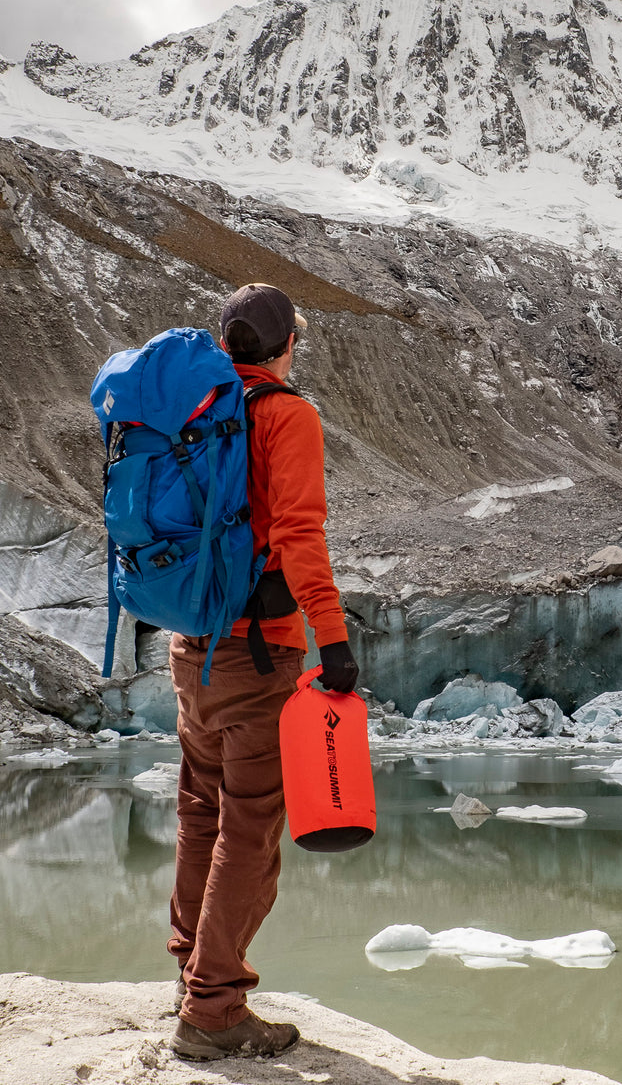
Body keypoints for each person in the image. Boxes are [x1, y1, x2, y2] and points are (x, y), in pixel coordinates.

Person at [167, 283, 359, 1061]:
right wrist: (334, 639)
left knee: (199, 814)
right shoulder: (287, 415)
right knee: (249, 831)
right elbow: (301, 533)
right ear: (284, 346)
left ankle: (190, 973)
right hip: (259, 653)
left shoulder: (193, 413)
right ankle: (213, 1010)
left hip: (191, 649)